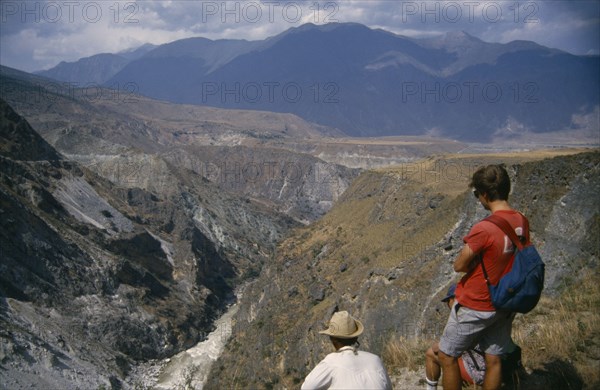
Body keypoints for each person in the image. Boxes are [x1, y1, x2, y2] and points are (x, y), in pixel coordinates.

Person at [438, 164, 529, 390]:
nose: (479, 199)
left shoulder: (484, 228)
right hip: (504, 302)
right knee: (494, 360)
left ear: (486, 194)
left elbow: (459, 264)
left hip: (476, 303)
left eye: (478, 194)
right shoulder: (521, 221)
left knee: (447, 356)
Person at [301, 311, 392, 390]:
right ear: (355, 337)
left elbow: (306, 387)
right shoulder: (375, 360)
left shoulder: (331, 361)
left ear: (332, 339)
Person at [425, 285, 487, 389]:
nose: (447, 305)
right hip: (494, 369)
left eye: (448, 301)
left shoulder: (462, 318)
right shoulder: (478, 313)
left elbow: (439, 348)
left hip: (478, 372)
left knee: (431, 354)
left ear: (454, 299)